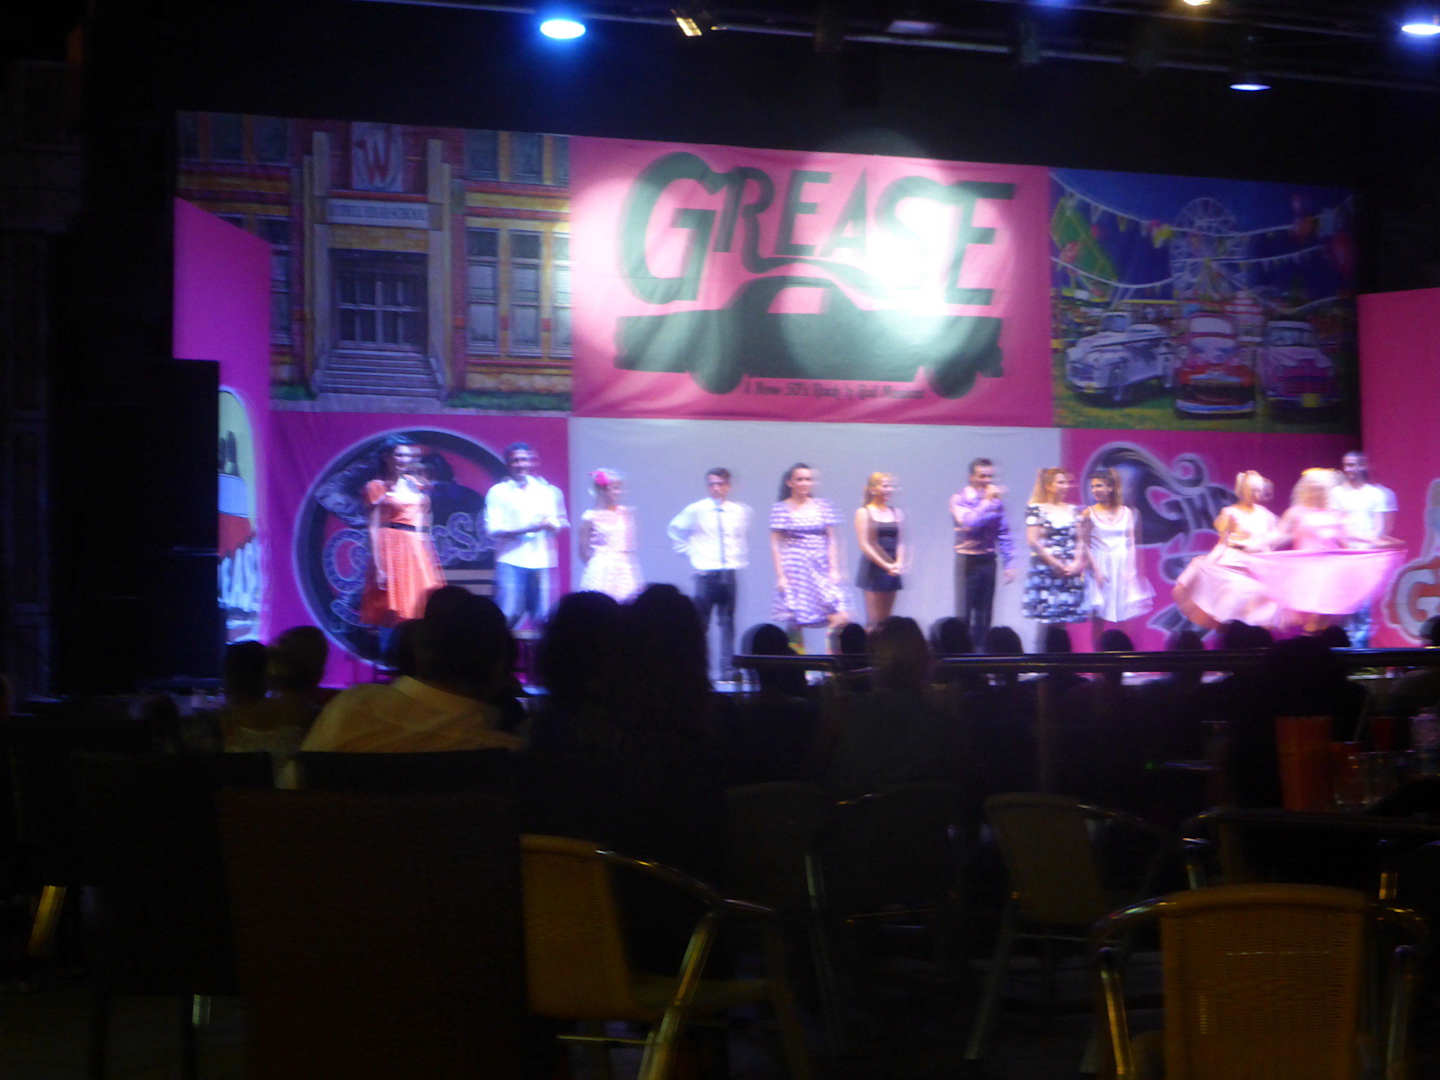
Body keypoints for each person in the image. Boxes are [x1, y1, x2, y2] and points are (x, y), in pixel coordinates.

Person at [302, 593, 524, 753]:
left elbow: (293, 787)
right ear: (499, 667)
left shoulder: (348, 710)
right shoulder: (505, 751)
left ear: (422, 650)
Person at [1251, 468, 1404, 634]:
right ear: (1305, 489)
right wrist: (1258, 545)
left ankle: (1317, 642)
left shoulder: (1336, 514)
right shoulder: (1296, 513)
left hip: (1331, 573)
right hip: (1306, 571)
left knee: (1324, 618)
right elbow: (1279, 534)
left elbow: (1352, 536)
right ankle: (1310, 642)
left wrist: (1379, 543)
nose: (1317, 492)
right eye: (1313, 488)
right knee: (1309, 617)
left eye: (1321, 488)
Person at [668, 467, 752, 682]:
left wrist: (737, 558)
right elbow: (674, 529)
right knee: (701, 623)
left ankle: (727, 669)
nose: (716, 488)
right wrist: (691, 553)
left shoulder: (739, 511)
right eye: (712, 484)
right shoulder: (697, 509)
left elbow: (740, 537)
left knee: (727, 622)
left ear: (728, 486)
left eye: (720, 484)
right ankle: (698, 668)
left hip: (729, 571)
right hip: (706, 573)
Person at [1172, 470, 1280, 632]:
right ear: (1243, 490)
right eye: (1252, 490)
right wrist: (1211, 561)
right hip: (1234, 562)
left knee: (1260, 609)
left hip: (1258, 565)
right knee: (1228, 607)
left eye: (1258, 491)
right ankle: (1229, 637)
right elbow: (1222, 541)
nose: (1255, 495)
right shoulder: (1231, 512)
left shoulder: (1266, 516)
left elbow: (1271, 543)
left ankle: (1257, 640)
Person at [359, 435, 444, 628]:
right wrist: (379, 566)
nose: (404, 460)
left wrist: (427, 551)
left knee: (420, 603)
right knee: (391, 606)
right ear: (387, 457)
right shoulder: (377, 487)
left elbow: (423, 518)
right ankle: (391, 644)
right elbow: (373, 527)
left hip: (416, 547)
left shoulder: (416, 484)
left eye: (407, 456)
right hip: (392, 547)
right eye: (398, 455)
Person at [483, 442, 568, 629]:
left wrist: (553, 525)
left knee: (544, 616)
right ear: (508, 464)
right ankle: (500, 647)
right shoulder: (498, 492)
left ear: (532, 462)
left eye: (524, 460)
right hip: (511, 560)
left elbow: (561, 521)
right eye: (516, 460)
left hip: (543, 560)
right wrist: (530, 527)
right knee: (507, 613)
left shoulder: (548, 491)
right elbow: (493, 529)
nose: (521, 464)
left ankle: (543, 649)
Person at [770, 463, 847, 643]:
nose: (804, 483)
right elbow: (775, 544)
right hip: (795, 569)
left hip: (821, 566)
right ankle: (795, 657)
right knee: (795, 617)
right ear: (790, 482)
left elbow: (833, 539)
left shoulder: (824, 506)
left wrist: (835, 569)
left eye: (808, 479)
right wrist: (780, 576)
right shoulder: (781, 508)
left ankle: (833, 657)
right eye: (800, 479)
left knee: (836, 613)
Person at [1079, 467, 1153, 647]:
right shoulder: (1088, 513)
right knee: (1099, 618)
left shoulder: (1127, 512)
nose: (1095, 490)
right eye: (1093, 486)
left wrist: (1131, 571)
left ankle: (1124, 655)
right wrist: (1095, 569)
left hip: (1122, 566)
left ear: (1111, 487)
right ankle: (1098, 657)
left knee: (1124, 615)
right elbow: (1085, 543)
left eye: (1099, 485)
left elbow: (1131, 543)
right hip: (1100, 565)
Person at [1331, 451, 1398, 647]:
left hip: (1368, 557)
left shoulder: (1376, 494)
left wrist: (1369, 547)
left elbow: (1380, 528)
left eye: (1352, 465)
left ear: (1363, 466)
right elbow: (1336, 525)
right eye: (1346, 465)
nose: (1348, 469)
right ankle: (1346, 649)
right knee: (1346, 606)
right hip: (1345, 557)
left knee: (1365, 607)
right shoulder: (1337, 493)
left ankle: (1361, 652)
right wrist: (1347, 547)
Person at [950, 458, 1016, 645]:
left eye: (990, 476)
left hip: (988, 560)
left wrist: (1009, 563)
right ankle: (962, 654)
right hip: (967, 561)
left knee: (985, 613)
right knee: (965, 611)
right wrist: (986, 502)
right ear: (971, 477)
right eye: (982, 476)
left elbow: (1003, 532)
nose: (987, 481)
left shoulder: (996, 502)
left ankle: (982, 655)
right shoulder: (959, 499)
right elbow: (969, 524)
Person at [1022, 467, 1087, 651]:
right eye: (1060, 482)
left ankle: (1063, 660)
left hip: (1069, 569)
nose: (1065, 486)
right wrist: (1055, 563)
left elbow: (1080, 539)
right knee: (1046, 619)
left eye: (1066, 482)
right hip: (1046, 569)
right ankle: (1043, 659)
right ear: (1049, 485)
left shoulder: (1074, 510)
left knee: (1063, 619)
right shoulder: (1037, 509)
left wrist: (1077, 562)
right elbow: (1033, 540)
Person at [577, 467, 642, 602]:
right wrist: (599, 563)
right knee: (599, 603)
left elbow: (631, 546)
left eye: (620, 488)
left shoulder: (625, 513)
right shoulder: (590, 517)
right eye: (615, 488)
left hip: (624, 568)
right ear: (602, 490)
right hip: (601, 568)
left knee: (626, 603)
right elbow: (583, 551)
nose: (619, 492)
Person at [854, 472, 906, 631]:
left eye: (890, 486)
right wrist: (886, 565)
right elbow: (864, 544)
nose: (889, 489)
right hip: (873, 569)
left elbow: (901, 542)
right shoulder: (864, 512)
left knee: (886, 622)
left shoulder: (897, 512)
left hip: (892, 569)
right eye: (885, 486)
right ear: (872, 489)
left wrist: (899, 563)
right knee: (874, 622)